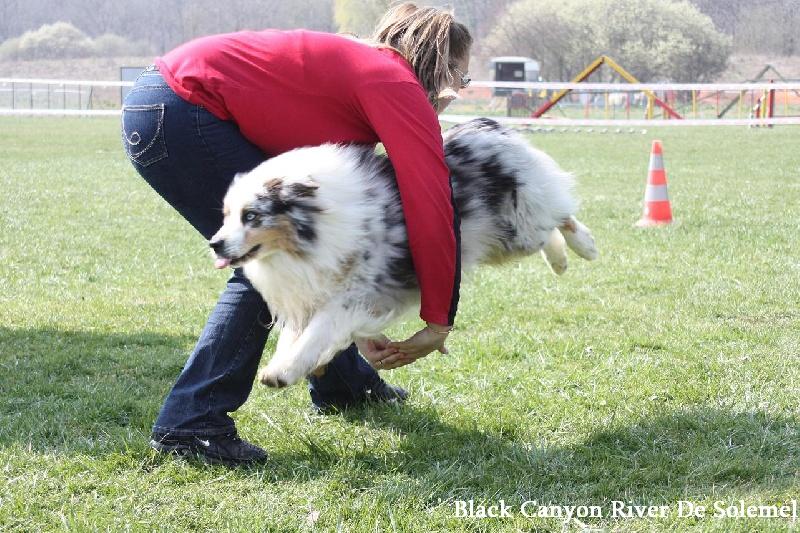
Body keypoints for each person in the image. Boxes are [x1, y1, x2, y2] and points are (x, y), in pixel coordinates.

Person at [121, 3, 472, 466]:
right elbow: (431, 202)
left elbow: (338, 237)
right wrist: (439, 317)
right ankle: (191, 424)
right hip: (184, 108)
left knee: (299, 254)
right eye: (461, 81)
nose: (457, 95)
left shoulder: (362, 73)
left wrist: (359, 328)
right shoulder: (395, 83)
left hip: (160, 101)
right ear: (439, 70)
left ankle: (343, 384)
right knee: (268, 262)